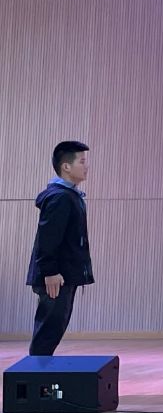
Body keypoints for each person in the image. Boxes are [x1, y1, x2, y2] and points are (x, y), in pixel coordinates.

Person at [26, 141, 93, 356]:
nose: (86, 166)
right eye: (82, 161)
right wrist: (50, 271)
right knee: (48, 333)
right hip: (56, 277)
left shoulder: (69, 195)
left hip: (62, 275)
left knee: (52, 331)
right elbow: (48, 237)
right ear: (66, 167)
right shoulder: (60, 197)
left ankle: (39, 373)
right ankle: (35, 375)